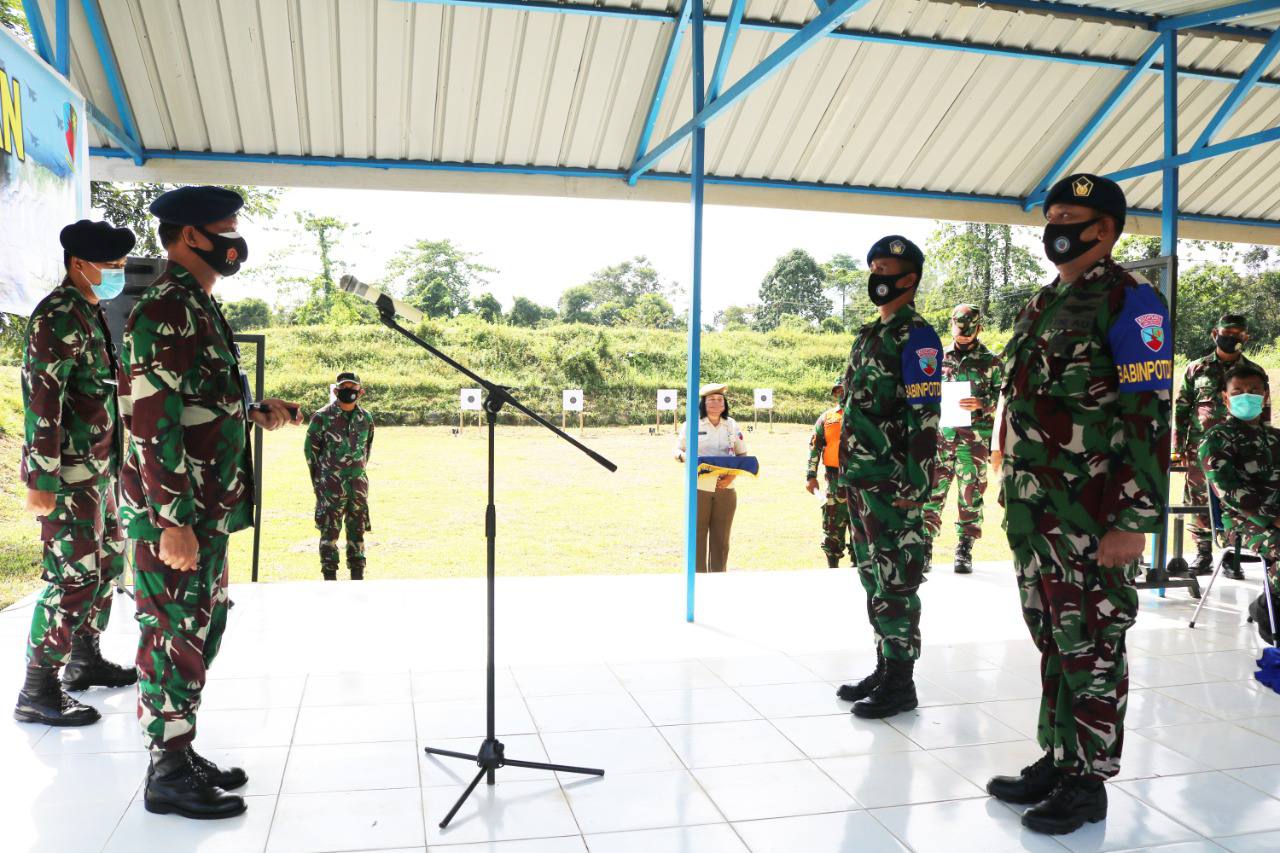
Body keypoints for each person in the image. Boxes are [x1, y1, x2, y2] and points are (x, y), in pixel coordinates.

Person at [987, 174, 1172, 835]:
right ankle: (1059, 758)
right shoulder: (1045, 301)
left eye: (1071, 217)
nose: (1056, 227)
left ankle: (1088, 782)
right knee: (1054, 639)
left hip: (1091, 514)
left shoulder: (1132, 302)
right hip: (1036, 511)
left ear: (1105, 229)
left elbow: (1147, 416)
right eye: (1053, 216)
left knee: (1092, 643)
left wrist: (1131, 521)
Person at [118, 186, 302, 820]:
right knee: (172, 633)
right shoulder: (166, 308)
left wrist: (253, 411)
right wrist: (172, 521)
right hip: (177, 512)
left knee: (198, 630)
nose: (235, 239)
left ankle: (179, 748)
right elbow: (151, 420)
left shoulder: (197, 304)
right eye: (226, 227)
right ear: (191, 235)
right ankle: (167, 772)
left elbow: (195, 398)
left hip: (205, 507)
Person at [14, 220, 138, 727]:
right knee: (72, 579)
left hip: (97, 471)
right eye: (110, 266)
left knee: (106, 565)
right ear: (78, 264)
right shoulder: (58, 316)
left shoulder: (90, 312)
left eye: (121, 265)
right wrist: (42, 479)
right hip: (66, 476)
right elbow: (44, 402)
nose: (117, 274)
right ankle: (37, 688)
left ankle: (85, 659)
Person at [833, 235, 941, 720]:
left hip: (895, 484)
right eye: (873, 267)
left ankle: (901, 682)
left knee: (897, 581)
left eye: (886, 268)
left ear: (909, 278)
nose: (877, 275)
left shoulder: (917, 337)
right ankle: (884, 666)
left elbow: (925, 416)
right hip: (861, 479)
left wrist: (916, 487)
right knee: (872, 577)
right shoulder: (868, 335)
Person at [1174, 313, 1270, 579]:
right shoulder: (1196, 368)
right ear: (1215, 334)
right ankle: (1203, 553)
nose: (1231, 339)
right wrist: (1178, 447)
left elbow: (1264, 410)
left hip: (1241, 448)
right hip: (1200, 448)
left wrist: (1263, 443)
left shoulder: (1254, 372)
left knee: (1239, 498)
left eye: (1238, 335)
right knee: (1199, 499)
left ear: (1245, 338)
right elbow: (1182, 410)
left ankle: (1232, 556)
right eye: (1226, 334)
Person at [1198, 363, 1280, 642]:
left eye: (1254, 390)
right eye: (1238, 392)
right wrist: (1271, 519)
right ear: (1225, 398)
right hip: (1243, 522)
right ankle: (1270, 617)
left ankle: (1263, 604)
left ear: (1265, 395)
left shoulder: (1275, 438)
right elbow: (1229, 492)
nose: (1247, 396)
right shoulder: (1217, 439)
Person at [923, 304, 1004, 574]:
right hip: (941, 440)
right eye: (960, 334)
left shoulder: (992, 362)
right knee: (932, 492)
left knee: (971, 495)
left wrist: (983, 403)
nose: (964, 338)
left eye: (968, 334)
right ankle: (925, 547)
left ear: (979, 329)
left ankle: (964, 549)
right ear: (951, 327)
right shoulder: (937, 358)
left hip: (974, 443)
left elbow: (1004, 400)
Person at [305, 372, 375, 580]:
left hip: (358, 487)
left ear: (361, 392)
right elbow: (310, 452)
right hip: (330, 488)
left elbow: (366, 450)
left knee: (357, 533)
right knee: (329, 534)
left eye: (353, 388)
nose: (349, 392)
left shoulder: (366, 418)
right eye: (344, 388)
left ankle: (357, 576)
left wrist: (356, 472)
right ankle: (329, 578)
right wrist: (321, 481)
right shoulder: (322, 417)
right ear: (336, 391)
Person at [676, 384, 748, 572]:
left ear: (725, 404)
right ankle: (698, 579)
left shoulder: (731, 425)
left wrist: (731, 477)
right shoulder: (692, 424)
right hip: (698, 488)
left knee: (721, 541)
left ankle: (718, 580)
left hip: (726, 489)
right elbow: (678, 450)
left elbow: (742, 454)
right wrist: (685, 458)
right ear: (703, 403)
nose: (716, 403)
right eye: (711, 400)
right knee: (697, 538)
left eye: (720, 400)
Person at [806, 379, 852, 568]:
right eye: (837, 391)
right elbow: (815, 447)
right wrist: (810, 476)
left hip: (860, 482)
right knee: (832, 529)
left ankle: (860, 567)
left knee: (863, 531)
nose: (841, 394)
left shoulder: (865, 416)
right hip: (834, 481)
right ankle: (832, 567)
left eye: (844, 389)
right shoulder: (827, 417)